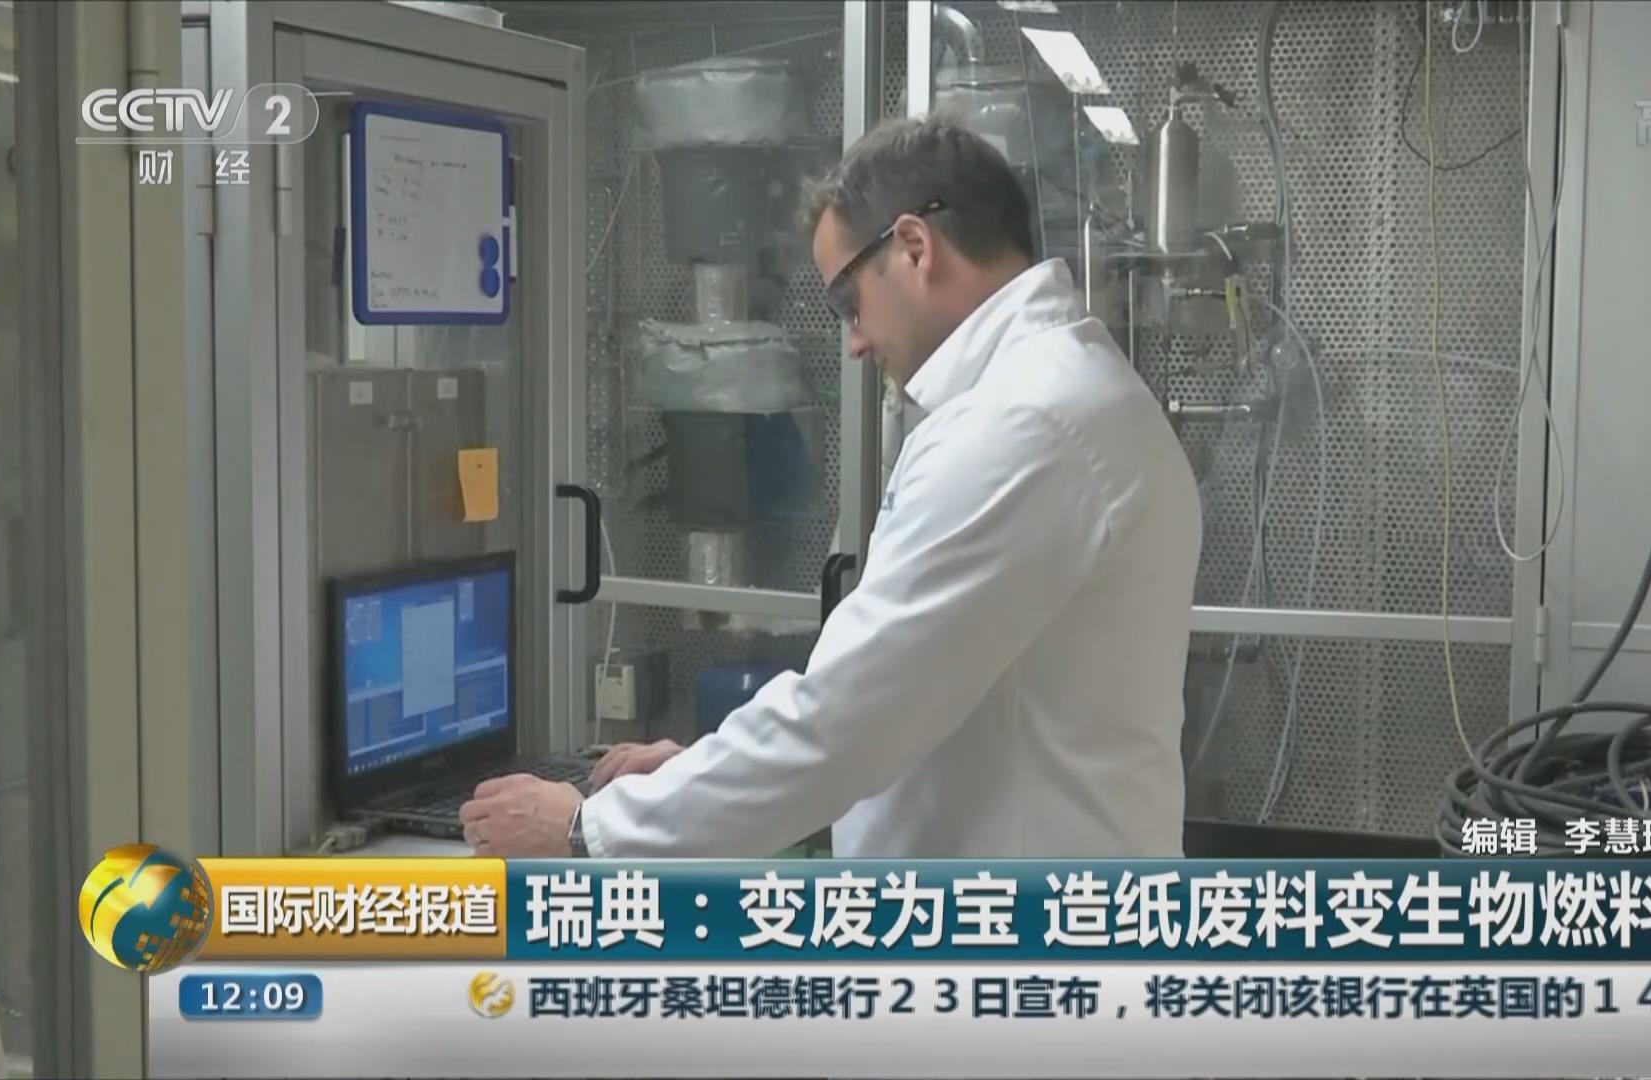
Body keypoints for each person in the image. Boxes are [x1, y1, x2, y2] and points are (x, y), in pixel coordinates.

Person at [459, 115, 1203, 859]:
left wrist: (586, 827)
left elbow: (847, 720)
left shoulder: (1022, 423)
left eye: (848, 301)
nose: (854, 341)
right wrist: (692, 780)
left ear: (914, 247)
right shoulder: (1070, 392)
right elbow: (902, 708)